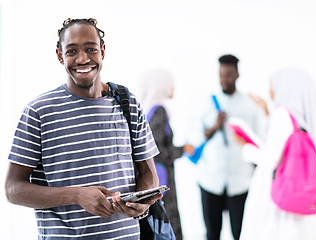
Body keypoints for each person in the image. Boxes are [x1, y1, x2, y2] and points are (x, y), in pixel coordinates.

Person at [4, 18, 161, 240]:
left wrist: (141, 204)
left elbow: (149, 174)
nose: (83, 59)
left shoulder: (127, 103)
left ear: (102, 51)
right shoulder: (39, 112)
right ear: (60, 55)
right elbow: (13, 189)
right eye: (71, 51)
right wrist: (76, 195)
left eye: (90, 49)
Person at [234, 68, 316, 240]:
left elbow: (270, 159)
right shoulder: (300, 118)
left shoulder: (282, 113)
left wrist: (245, 148)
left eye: (272, 85)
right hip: (290, 190)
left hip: (271, 191)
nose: (270, 90)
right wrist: (267, 113)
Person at [190, 54, 265, 240]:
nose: (224, 80)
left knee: (240, 233)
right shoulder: (206, 103)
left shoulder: (250, 106)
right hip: (210, 179)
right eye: (221, 75)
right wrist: (215, 126)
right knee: (212, 234)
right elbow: (195, 139)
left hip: (240, 181)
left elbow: (259, 144)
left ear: (237, 75)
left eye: (229, 75)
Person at [138, 69, 194, 240]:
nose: (174, 88)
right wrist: (183, 149)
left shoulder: (147, 110)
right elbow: (158, 151)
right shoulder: (160, 111)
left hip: (152, 180)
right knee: (168, 228)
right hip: (162, 182)